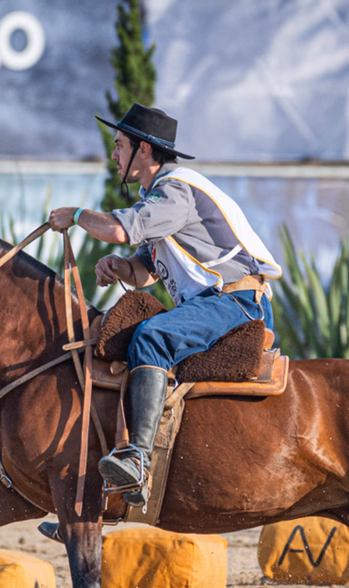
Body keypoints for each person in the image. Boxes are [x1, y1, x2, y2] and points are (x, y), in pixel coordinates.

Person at [48, 103, 281, 506]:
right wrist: (123, 267)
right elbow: (147, 271)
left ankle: (137, 459)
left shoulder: (175, 188)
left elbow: (121, 229)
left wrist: (76, 215)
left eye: (120, 146)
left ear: (144, 150)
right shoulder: (160, 194)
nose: (114, 154)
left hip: (237, 302)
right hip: (219, 301)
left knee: (151, 337)